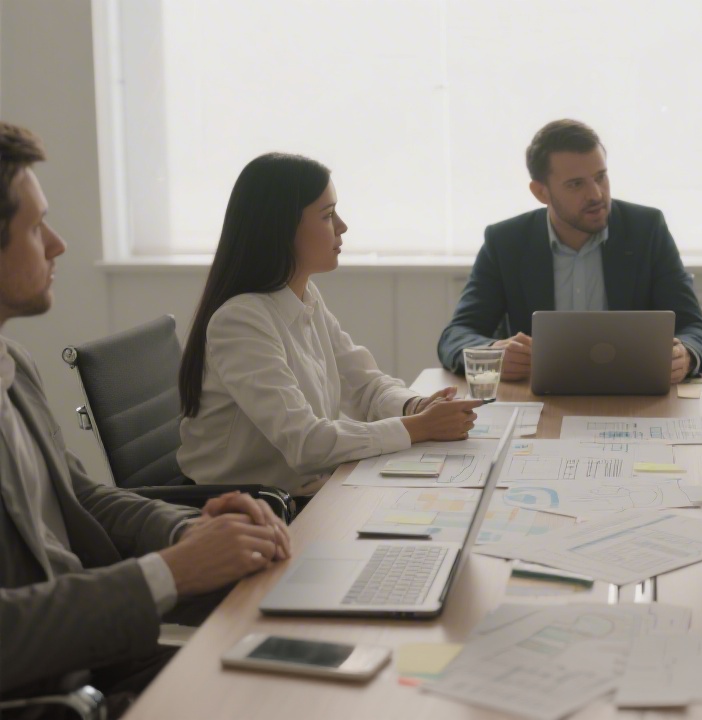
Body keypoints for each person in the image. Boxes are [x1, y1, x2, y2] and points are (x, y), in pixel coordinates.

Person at [0, 122, 290, 716]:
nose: (57, 244)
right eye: (34, 227)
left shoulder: (13, 362)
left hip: (98, 651)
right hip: (48, 692)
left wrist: (187, 531)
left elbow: (81, 497)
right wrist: (167, 573)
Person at [178, 153, 482, 500]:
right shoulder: (241, 321)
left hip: (303, 491)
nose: (342, 226)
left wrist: (416, 407)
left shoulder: (305, 296)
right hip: (243, 510)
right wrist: (417, 427)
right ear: (281, 227)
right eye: (327, 215)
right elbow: (306, 444)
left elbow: (366, 386)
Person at [437, 119, 702, 384]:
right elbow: (456, 335)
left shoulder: (646, 229)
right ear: (541, 192)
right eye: (575, 184)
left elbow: (694, 329)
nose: (596, 194)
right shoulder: (506, 241)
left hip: (634, 396)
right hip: (540, 399)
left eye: (600, 177)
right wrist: (493, 352)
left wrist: (686, 356)